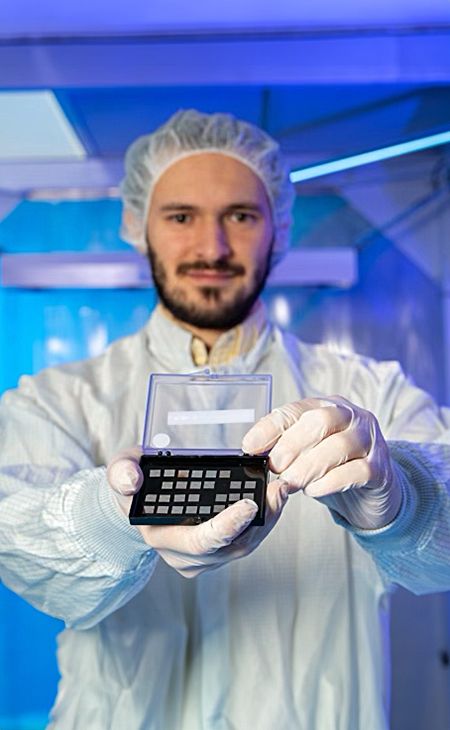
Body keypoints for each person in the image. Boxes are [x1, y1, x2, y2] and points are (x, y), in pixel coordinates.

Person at [1, 109, 450, 730]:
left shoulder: (368, 392)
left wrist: (405, 502)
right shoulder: (59, 399)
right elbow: (17, 539)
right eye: (181, 216)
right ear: (140, 227)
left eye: (240, 216)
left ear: (278, 230)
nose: (211, 247)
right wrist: (110, 519)